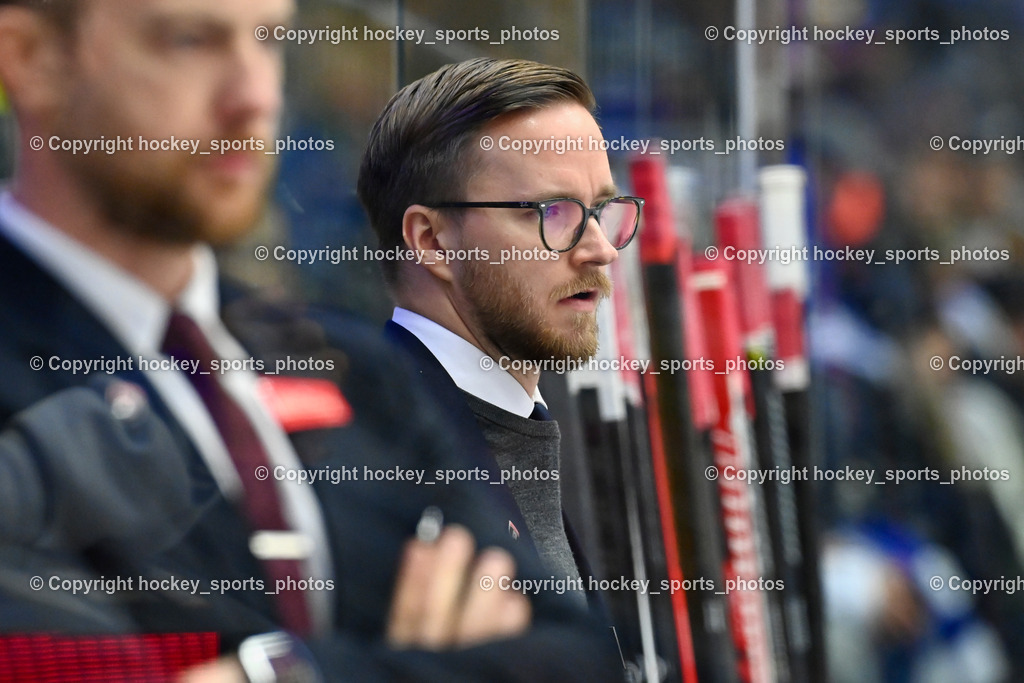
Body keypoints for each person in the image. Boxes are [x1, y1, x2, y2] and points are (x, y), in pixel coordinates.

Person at [0, 1, 619, 680]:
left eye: (269, 41)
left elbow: (576, 656)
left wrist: (279, 670)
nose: (255, 96)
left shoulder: (357, 373)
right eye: (187, 40)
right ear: (31, 57)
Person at [358, 58, 642, 604]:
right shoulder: (382, 462)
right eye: (552, 211)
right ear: (432, 240)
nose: (601, 250)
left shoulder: (519, 422)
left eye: (603, 209)